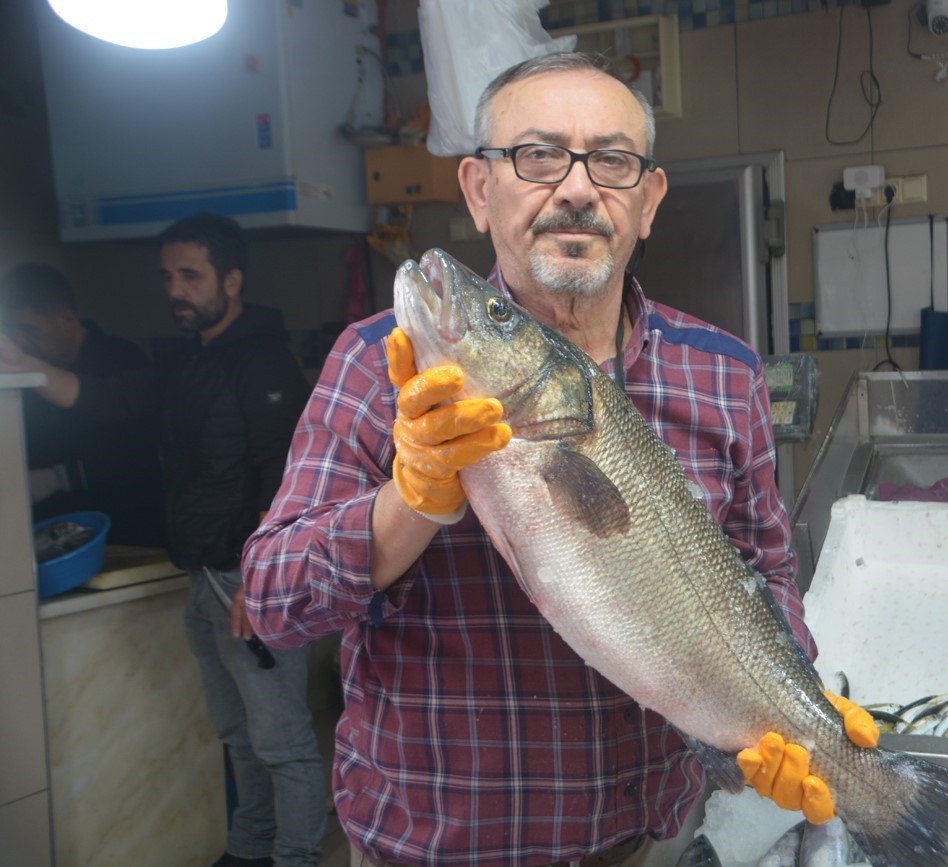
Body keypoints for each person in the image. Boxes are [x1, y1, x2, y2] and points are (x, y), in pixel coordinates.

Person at [243, 53, 862, 866]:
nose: (576, 189)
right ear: (477, 189)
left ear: (647, 202)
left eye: (612, 160)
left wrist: (794, 705)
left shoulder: (725, 371)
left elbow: (768, 572)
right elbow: (272, 602)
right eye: (537, 156)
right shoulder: (378, 363)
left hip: (645, 846)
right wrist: (410, 502)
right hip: (428, 852)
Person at [156, 212, 325, 867]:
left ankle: (297, 857)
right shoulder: (197, 358)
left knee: (280, 738)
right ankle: (250, 848)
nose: (176, 289)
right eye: (168, 276)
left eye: (190, 275)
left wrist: (259, 581)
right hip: (204, 577)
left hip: (245, 580)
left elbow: (282, 474)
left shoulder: (263, 361)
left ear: (232, 279)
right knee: (237, 733)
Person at [0, 263, 164, 546]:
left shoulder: (120, 362)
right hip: (46, 537)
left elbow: (142, 461)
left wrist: (58, 478)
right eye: (13, 331)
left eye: (29, 329)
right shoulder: (21, 374)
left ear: (66, 318)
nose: (21, 341)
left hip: (126, 535)